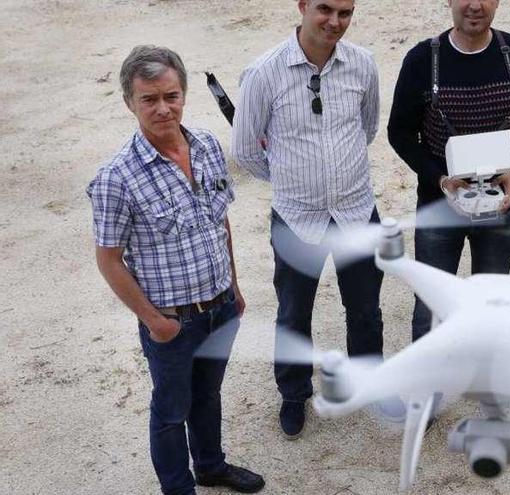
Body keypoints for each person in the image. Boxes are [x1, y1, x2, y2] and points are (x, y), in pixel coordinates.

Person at [87, 46, 264, 495]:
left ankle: (210, 466)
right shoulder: (117, 177)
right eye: (149, 99)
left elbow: (218, 219)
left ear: (184, 94)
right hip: (172, 322)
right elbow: (108, 259)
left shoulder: (205, 145)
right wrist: (155, 322)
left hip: (221, 306)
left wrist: (234, 288)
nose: (163, 108)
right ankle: (177, 488)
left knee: (208, 396)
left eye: (171, 95)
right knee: (171, 411)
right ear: (130, 101)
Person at [231, 0, 388, 437]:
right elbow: (245, 150)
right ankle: (294, 393)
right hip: (297, 217)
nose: (335, 21)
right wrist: (291, 183)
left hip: (356, 209)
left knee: (365, 310)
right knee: (293, 312)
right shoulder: (263, 73)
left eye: (346, 12)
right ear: (301, 6)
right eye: (325, 9)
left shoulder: (363, 65)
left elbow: (367, 127)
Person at [388, 0, 510, 342]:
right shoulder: (422, 60)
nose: (475, 6)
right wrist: (439, 179)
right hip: (438, 205)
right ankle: (427, 388)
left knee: (490, 302)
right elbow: (399, 132)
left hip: (501, 206)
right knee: (431, 304)